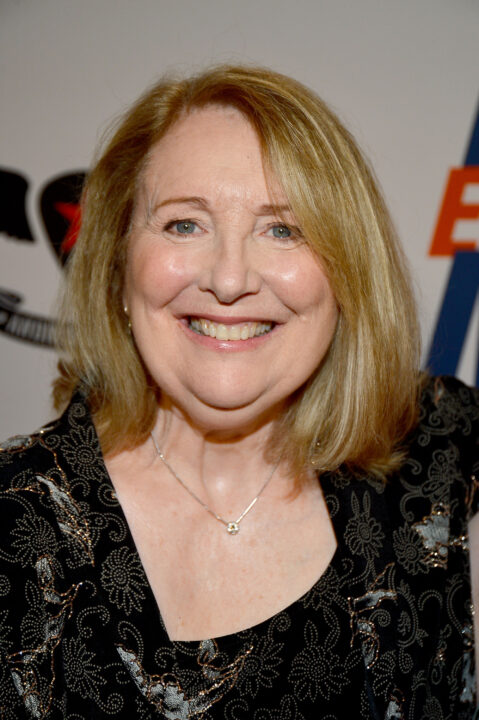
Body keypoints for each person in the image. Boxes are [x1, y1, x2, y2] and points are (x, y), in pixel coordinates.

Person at [0, 65, 477, 720]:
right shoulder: (11, 524)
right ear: (116, 260)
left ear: (346, 269)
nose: (228, 279)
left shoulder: (443, 451)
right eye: (183, 225)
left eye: (282, 229)